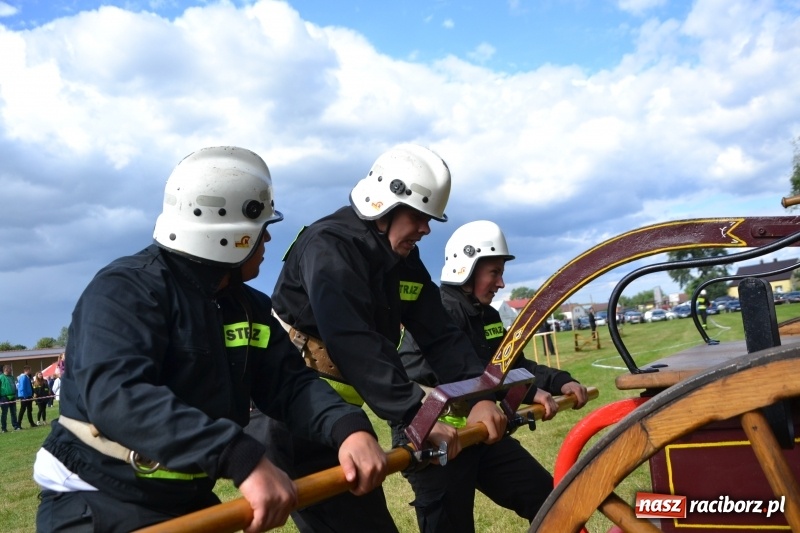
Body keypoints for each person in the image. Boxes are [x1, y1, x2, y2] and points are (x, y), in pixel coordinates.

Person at [33, 146, 388, 533]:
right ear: (229, 234)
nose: (268, 240)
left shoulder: (249, 306)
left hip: (185, 499)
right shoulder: (125, 290)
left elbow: (290, 383)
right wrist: (238, 455)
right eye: (262, 229)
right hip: (97, 498)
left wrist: (346, 427)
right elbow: (119, 394)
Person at [271, 143, 507, 532]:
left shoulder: (402, 262)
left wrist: (478, 398)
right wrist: (417, 415)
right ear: (383, 204)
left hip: (336, 414)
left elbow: (441, 335)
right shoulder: (329, 246)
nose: (427, 229)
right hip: (290, 409)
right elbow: (352, 339)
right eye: (419, 216)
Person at [398, 220, 589, 531]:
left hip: (482, 434)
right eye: (494, 272)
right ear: (467, 269)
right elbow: (426, 370)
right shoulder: (438, 312)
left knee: (548, 499)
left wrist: (558, 382)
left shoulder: (487, 315)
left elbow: (510, 364)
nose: (501, 283)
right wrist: (503, 393)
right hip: (437, 440)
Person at [1, 365, 22, 432]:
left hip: (12, 396)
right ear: (6, 370)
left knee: (13, 412)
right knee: (4, 413)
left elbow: (15, 386)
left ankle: (15, 426)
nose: (11, 370)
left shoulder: (12, 377)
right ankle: (4, 428)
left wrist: (16, 394)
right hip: (4, 397)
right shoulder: (1, 377)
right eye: (10, 369)